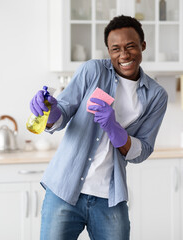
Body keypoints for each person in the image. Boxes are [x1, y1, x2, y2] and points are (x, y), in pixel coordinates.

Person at [30, 15, 168, 239]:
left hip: (109, 199)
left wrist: (115, 129)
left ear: (143, 45)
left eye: (130, 46)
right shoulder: (92, 71)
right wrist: (49, 109)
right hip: (64, 190)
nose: (123, 55)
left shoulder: (155, 95)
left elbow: (142, 151)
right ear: (108, 51)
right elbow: (63, 112)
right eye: (115, 49)